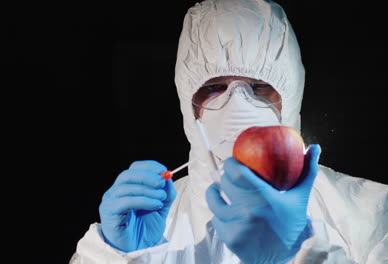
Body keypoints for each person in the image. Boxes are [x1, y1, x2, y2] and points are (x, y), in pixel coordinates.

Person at [70, 0, 388, 263]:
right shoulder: (158, 217)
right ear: (188, 102)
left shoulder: (370, 214)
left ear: (290, 97)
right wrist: (117, 255)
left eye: (260, 87)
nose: (238, 103)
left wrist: (296, 253)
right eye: (214, 87)